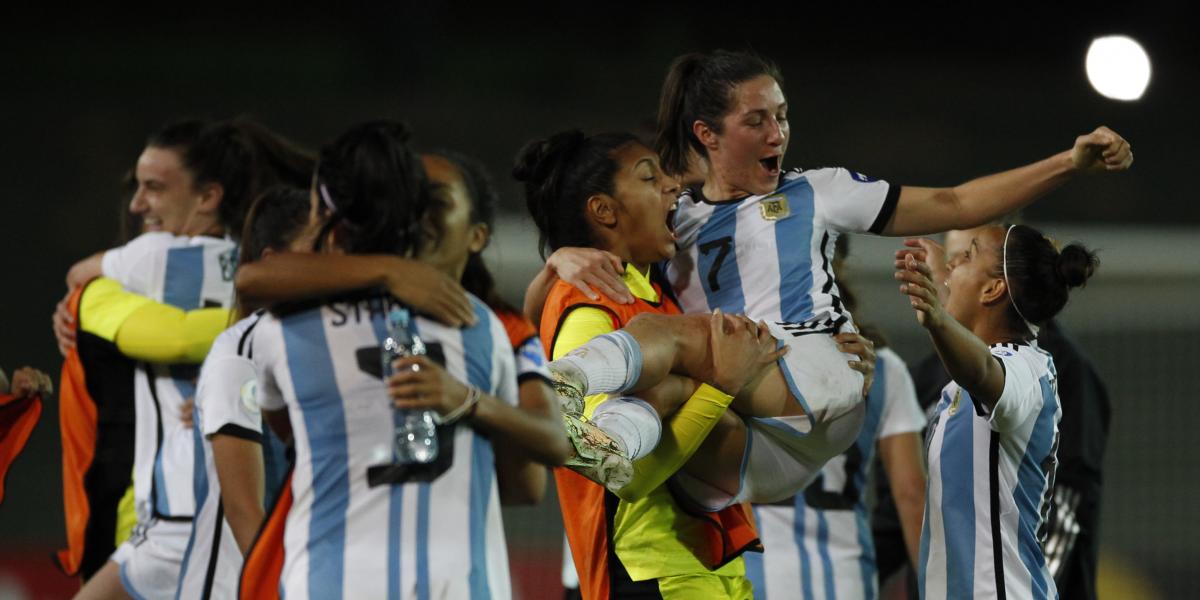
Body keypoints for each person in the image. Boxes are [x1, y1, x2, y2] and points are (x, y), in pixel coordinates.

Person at [539, 48, 1130, 506]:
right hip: (759, 459)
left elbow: (954, 202)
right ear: (707, 134)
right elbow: (601, 231)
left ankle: (557, 384)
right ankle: (607, 446)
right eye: (757, 120)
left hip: (816, 373)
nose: (778, 134)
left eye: (783, 116)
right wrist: (558, 260)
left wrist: (1068, 163)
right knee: (660, 391)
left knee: (664, 335)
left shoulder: (814, 190)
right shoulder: (678, 222)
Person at [249, 121, 567, 599]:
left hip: (329, 578)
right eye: (417, 201)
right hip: (458, 580)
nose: (422, 216)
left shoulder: (282, 328)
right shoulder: (486, 329)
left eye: (436, 202)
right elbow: (525, 482)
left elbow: (288, 427)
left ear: (478, 234)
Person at [518, 130, 797, 599]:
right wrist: (719, 388)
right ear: (604, 210)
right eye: (650, 177)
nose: (671, 187)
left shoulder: (657, 298)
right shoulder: (591, 303)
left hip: (708, 565)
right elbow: (626, 474)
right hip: (652, 568)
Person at [66, 117, 313, 600]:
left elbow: (174, 337)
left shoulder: (128, 272)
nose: (138, 204)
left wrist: (82, 287)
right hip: (202, 507)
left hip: (171, 511)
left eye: (153, 188)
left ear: (208, 197)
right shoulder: (269, 288)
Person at [879, 225, 1111, 600]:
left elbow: (984, 370)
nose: (953, 261)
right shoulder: (966, 379)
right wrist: (940, 280)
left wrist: (937, 317)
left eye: (967, 255)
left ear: (993, 289)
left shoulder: (1025, 370)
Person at [744, 237, 927, 600]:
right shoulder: (884, 368)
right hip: (846, 579)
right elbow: (911, 494)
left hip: (755, 576)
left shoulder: (741, 362)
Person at [173, 185, 322, 600]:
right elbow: (243, 511)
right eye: (317, 247)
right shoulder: (240, 351)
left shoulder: (318, 347)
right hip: (235, 587)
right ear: (274, 263)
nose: (333, 262)